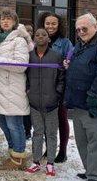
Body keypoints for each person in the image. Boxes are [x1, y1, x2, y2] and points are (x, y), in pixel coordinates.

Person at [65, 13, 97, 181]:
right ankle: (90, 171)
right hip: (78, 102)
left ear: (95, 26)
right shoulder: (81, 45)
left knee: (94, 142)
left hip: (95, 104)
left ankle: (96, 175)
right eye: (78, 29)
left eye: (84, 28)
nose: (81, 31)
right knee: (82, 141)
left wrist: (94, 95)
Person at [0, 9, 31, 170]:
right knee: (2, 122)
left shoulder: (19, 40)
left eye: (9, 19)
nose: (5, 22)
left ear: (14, 22)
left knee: (14, 124)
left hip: (12, 87)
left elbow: (21, 65)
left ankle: (18, 157)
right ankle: (13, 150)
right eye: (2, 19)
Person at [25, 28, 65, 177]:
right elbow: (25, 76)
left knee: (51, 133)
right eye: (37, 35)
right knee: (37, 132)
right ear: (34, 38)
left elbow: (62, 76)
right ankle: (36, 161)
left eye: (44, 35)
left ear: (49, 39)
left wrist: (57, 93)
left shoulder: (56, 56)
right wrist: (28, 90)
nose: (40, 37)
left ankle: (50, 163)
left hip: (51, 103)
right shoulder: (29, 56)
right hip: (34, 102)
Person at [38, 12, 73, 162]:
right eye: (47, 23)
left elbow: (71, 62)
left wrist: (67, 65)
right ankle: (49, 148)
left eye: (54, 23)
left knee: (61, 118)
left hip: (59, 87)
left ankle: (63, 151)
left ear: (59, 25)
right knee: (46, 119)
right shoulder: (38, 41)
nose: (50, 26)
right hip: (41, 87)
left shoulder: (65, 43)